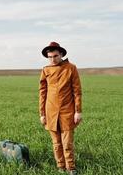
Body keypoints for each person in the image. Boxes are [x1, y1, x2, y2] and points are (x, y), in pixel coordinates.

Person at [39, 42, 82, 175]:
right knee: (56, 144)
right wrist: (42, 113)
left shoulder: (71, 68)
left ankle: (71, 168)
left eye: (55, 56)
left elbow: (77, 91)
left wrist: (78, 111)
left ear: (61, 54)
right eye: (50, 57)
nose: (53, 59)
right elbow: (42, 92)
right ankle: (61, 167)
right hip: (50, 112)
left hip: (67, 112)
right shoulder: (46, 70)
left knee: (67, 143)